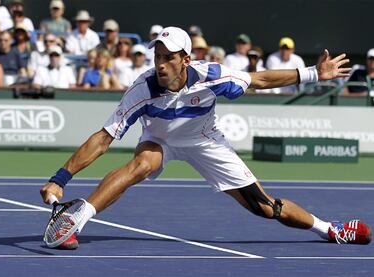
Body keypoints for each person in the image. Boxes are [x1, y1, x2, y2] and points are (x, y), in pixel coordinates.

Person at [40, 26, 371, 250]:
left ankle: (330, 229)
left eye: (169, 57)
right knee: (142, 163)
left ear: (185, 59)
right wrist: (60, 178)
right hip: (160, 139)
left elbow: (260, 78)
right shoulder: (142, 89)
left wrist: (313, 73)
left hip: (206, 140)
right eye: (157, 57)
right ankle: (77, 218)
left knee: (266, 209)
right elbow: (104, 138)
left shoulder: (213, 76)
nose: (161, 64)